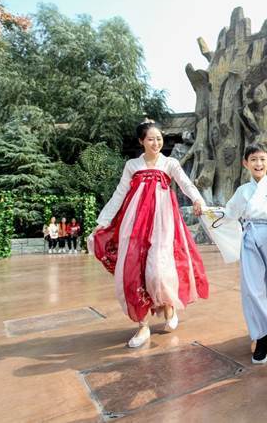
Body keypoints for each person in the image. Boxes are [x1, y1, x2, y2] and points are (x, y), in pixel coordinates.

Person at [89, 119, 209, 348]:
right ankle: (142, 326)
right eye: (151, 139)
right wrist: (103, 221)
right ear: (141, 141)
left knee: (159, 272)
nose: (156, 143)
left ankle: (169, 306)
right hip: (134, 225)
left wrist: (198, 200)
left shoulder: (170, 163)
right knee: (134, 273)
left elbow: (186, 184)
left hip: (163, 225)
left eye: (159, 139)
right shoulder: (132, 165)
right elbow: (119, 193)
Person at [217, 143, 267, 364]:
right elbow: (229, 213)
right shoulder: (243, 191)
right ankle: (262, 337)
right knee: (252, 287)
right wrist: (207, 211)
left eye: (262, 159)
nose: (258, 163)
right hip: (250, 237)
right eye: (253, 160)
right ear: (246, 163)